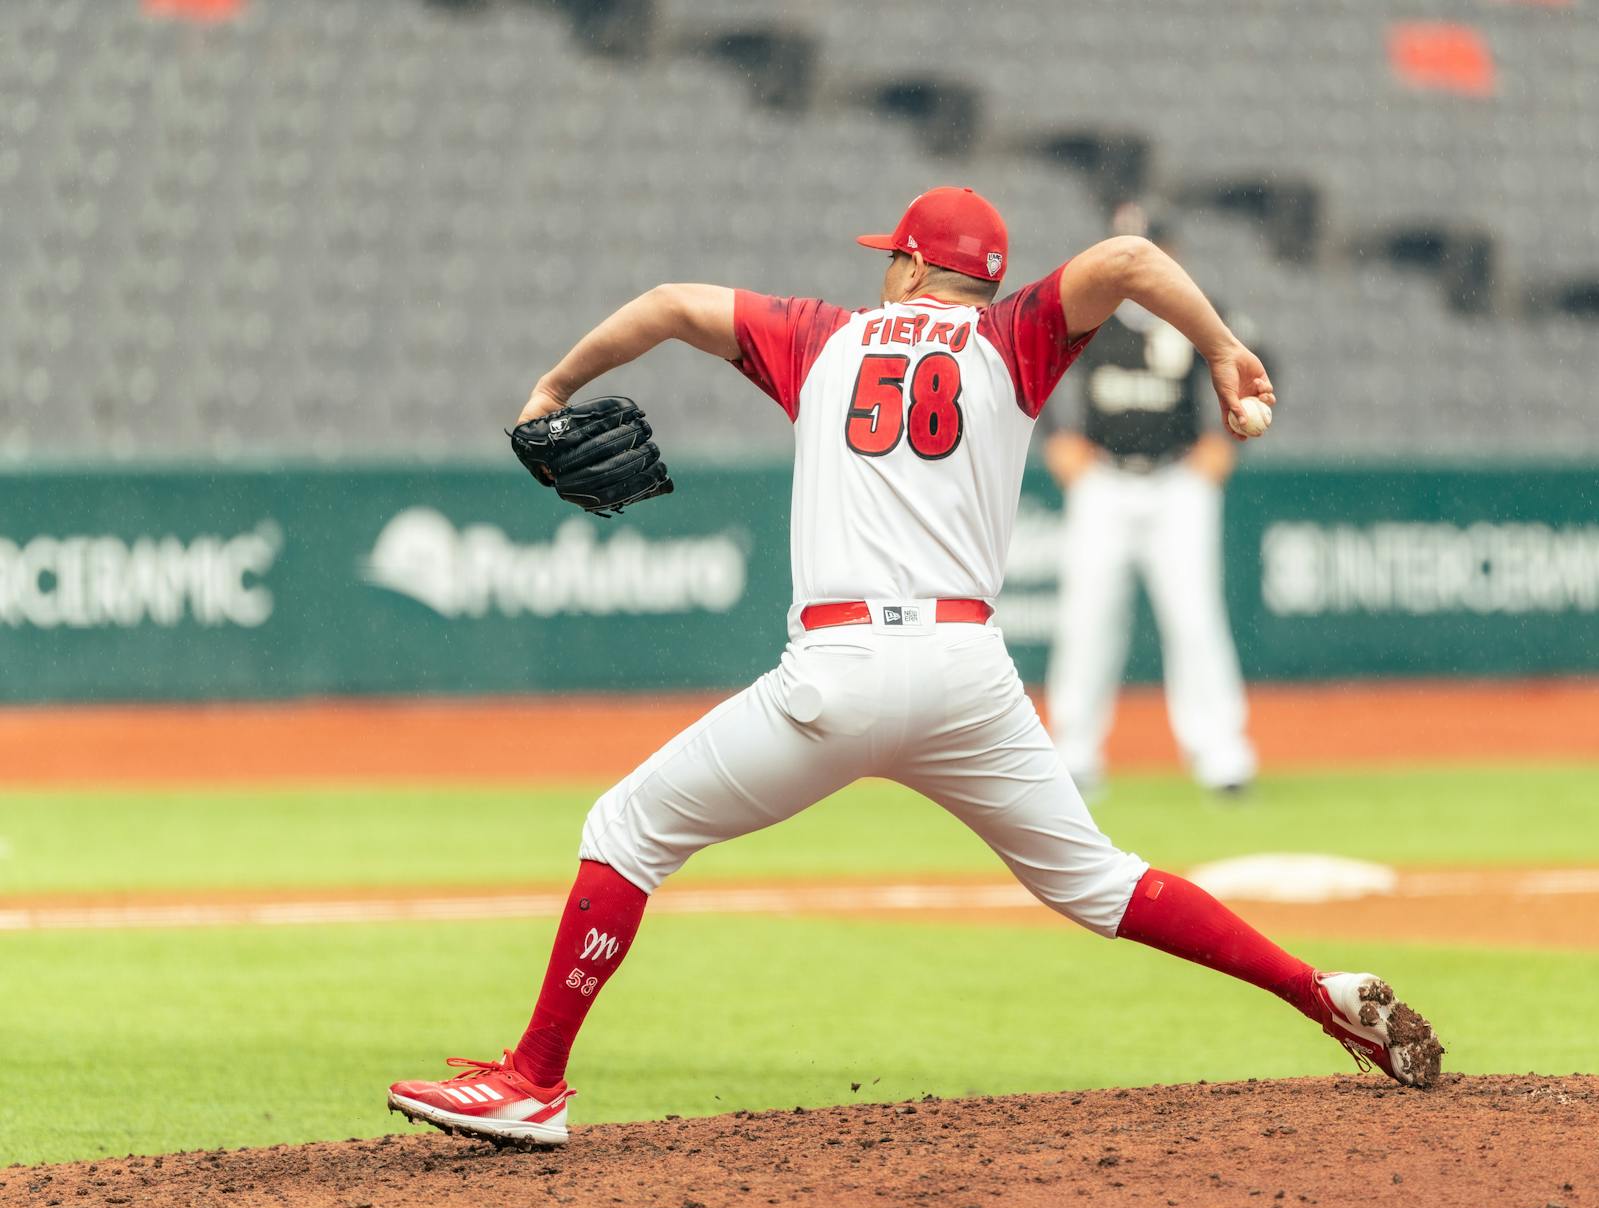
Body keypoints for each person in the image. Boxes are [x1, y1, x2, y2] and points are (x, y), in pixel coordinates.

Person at [386, 187, 1441, 1147]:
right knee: (1100, 882)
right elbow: (1125, 260)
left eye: (886, 258)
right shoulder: (1009, 338)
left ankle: (534, 1080)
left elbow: (667, 301)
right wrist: (1217, 349)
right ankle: (1317, 992)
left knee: (626, 830)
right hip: (964, 676)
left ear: (904, 264)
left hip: (838, 671)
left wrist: (554, 385)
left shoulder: (820, 338)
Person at [1044, 207, 1257, 796]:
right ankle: (1074, 752)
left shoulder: (1198, 310)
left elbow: (1256, 362)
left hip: (1176, 481)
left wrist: (1226, 442)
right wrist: (1056, 437)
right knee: (1087, 619)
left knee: (1194, 616)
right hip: (1104, 482)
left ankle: (1222, 755)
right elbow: (1031, 366)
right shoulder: (1090, 312)